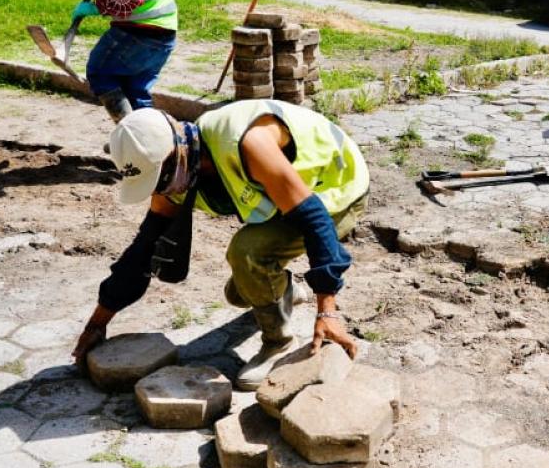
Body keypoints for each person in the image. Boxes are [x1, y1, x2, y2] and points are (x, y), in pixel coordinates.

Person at [71, 100, 370, 389]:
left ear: (178, 151)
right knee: (239, 293)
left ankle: (278, 343)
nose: (162, 191)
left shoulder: (247, 143)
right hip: (289, 196)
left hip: (336, 189)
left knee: (247, 253)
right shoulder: (174, 173)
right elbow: (142, 252)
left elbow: (314, 218)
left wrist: (327, 311)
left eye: (160, 180)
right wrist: (96, 323)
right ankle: (286, 291)